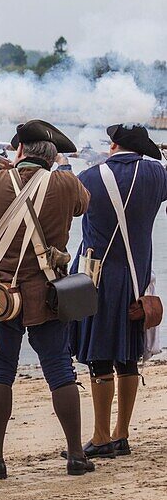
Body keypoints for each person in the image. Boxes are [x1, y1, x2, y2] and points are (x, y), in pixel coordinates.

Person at [0, 120, 92, 481]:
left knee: (0, 372)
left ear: (18, 152)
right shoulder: (65, 183)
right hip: (49, 295)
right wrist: (60, 168)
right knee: (60, 369)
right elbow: (82, 204)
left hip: (2, 297)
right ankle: (76, 455)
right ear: (52, 156)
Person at [70, 124, 167, 458]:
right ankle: (121, 434)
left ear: (112, 145)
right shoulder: (157, 173)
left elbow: (70, 203)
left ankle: (100, 437)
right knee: (127, 357)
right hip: (138, 277)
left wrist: (69, 168)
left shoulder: (91, 176)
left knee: (99, 357)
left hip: (97, 277)